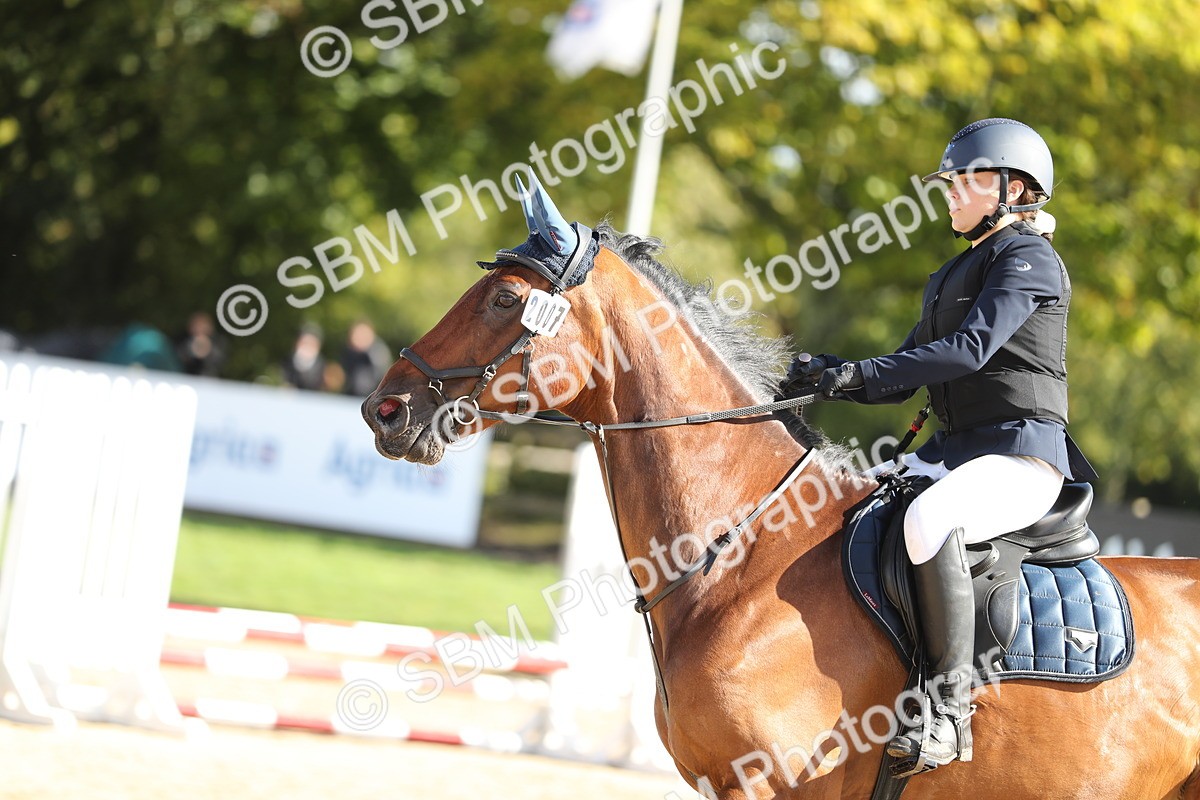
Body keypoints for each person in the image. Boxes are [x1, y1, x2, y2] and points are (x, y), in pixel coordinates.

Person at [782, 118, 1097, 771]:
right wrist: (829, 375)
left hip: (1021, 454)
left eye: (966, 178)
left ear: (1014, 187)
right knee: (852, 510)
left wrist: (857, 374)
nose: (950, 191)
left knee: (931, 518)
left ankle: (949, 713)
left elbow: (970, 350)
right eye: (949, 179)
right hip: (957, 453)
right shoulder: (952, 272)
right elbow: (908, 369)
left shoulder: (1029, 259)